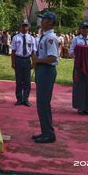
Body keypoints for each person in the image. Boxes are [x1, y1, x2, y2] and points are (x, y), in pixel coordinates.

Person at [31, 11, 59, 144]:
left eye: (44, 20)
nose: (41, 21)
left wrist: (37, 60)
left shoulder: (50, 38)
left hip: (47, 71)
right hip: (43, 70)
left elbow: (53, 57)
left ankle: (49, 133)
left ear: (50, 22)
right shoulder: (44, 36)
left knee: (43, 102)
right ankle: (45, 131)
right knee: (41, 103)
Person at [69, 21, 88, 116]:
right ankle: (80, 107)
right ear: (80, 29)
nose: (85, 30)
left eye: (86, 28)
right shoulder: (76, 39)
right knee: (80, 86)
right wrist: (79, 55)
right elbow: (71, 51)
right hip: (79, 66)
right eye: (83, 28)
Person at [11, 20, 37, 107]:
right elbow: (13, 51)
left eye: (26, 26)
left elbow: (33, 52)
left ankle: (26, 99)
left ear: (28, 27)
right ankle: (19, 99)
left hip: (27, 60)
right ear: (20, 27)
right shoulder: (16, 37)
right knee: (19, 81)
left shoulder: (31, 38)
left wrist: (34, 63)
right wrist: (13, 62)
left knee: (27, 81)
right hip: (18, 59)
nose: (25, 28)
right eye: (23, 26)